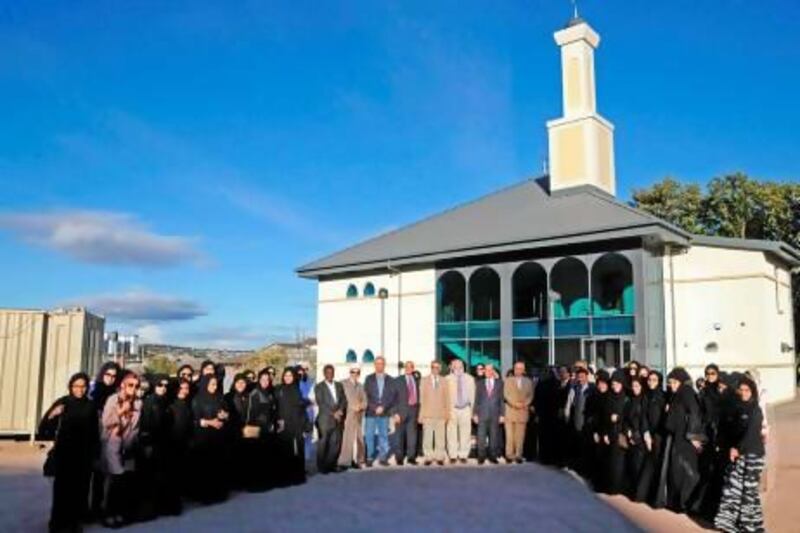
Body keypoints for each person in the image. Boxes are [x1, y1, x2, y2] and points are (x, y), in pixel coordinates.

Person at [38, 372, 99, 533]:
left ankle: (74, 523)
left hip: (83, 456)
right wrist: (53, 414)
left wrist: (95, 454)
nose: (80, 389)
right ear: (71, 387)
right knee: (61, 491)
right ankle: (57, 523)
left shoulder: (91, 405)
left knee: (79, 492)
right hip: (64, 455)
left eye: (83, 386)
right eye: (76, 386)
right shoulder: (63, 402)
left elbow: (95, 433)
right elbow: (43, 428)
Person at [714, 376, 766, 533]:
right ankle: (729, 523)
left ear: (753, 392)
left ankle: (750, 526)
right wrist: (730, 447)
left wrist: (737, 449)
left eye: (747, 390)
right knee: (734, 488)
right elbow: (734, 432)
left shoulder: (755, 410)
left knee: (749, 492)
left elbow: (750, 434)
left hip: (753, 455)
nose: (743, 393)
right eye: (741, 390)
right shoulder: (738, 408)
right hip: (739, 454)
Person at [100, 371, 143, 528]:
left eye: (136, 386)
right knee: (115, 478)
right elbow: (105, 422)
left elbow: (136, 427)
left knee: (124, 480)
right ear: (123, 385)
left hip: (128, 443)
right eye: (131, 385)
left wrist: (131, 442)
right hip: (112, 442)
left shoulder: (138, 403)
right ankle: (108, 513)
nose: (134, 388)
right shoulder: (113, 399)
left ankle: (119, 511)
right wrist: (120, 412)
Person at [661, 367, 705, 513]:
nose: (671, 385)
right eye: (670, 382)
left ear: (680, 381)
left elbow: (694, 413)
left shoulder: (686, 392)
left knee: (686, 471)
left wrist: (693, 436)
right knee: (677, 471)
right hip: (678, 437)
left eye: (674, 382)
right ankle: (679, 503)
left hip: (684, 439)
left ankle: (686, 504)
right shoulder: (677, 394)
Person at [88, 361, 120, 521]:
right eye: (108, 374)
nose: (111, 378)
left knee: (105, 476)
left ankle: (101, 508)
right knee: (95, 476)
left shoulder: (115, 393)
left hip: (109, 437)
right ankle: (92, 509)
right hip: (95, 437)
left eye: (114, 376)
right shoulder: (94, 392)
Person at [190, 375, 229, 503]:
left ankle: (220, 494)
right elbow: (195, 419)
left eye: (215, 384)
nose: (214, 386)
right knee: (206, 467)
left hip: (219, 436)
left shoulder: (219, 397)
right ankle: (206, 496)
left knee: (218, 466)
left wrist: (224, 416)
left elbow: (226, 413)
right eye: (212, 384)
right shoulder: (198, 399)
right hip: (204, 437)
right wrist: (210, 422)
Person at [138, 374, 171, 520]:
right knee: (148, 478)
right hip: (151, 444)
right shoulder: (149, 401)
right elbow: (145, 424)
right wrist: (147, 444)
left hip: (164, 444)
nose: (163, 388)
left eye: (166, 386)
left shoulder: (166, 401)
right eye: (160, 385)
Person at [636, 370, 666, 506]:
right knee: (648, 466)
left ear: (659, 381)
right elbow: (643, 416)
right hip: (648, 435)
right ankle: (642, 496)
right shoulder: (646, 396)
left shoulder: (664, 396)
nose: (651, 382)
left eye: (654, 380)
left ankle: (656, 499)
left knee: (657, 467)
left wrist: (656, 436)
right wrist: (646, 433)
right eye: (649, 380)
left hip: (660, 436)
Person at [275, 367, 309, 486]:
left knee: (299, 450)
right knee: (285, 450)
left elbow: (301, 409)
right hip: (283, 424)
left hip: (297, 424)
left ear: (294, 377)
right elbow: (275, 407)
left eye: (290, 375)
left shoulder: (297, 390)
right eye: (285, 375)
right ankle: (285, 476)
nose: (287, 378)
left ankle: (298, 475)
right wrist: (278, 421)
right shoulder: (279, 389)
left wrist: (305, 426)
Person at [164, 379, 193, 515]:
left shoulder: (187, 404)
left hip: (183, 444)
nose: (184, 391)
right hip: (170, 444)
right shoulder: (169, 404)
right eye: (181, 388)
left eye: (186, 388)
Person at [313, 364, 347, 473]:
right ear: (324, 373)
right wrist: (334, 413)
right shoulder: (319, 387)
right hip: (325, 419)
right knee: (323, 444)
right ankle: (322, 467)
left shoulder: (339, 385)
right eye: (327, 372)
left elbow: (343, 400)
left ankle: (331, 465)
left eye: (331, 372)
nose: (330, 374)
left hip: (338, 420)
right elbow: (321, 403)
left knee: (335, 443)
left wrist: (341, 410)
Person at [248, 369, 277, 491]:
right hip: (257, 428)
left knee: (266, 456)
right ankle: (255, 484)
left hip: (268, 429)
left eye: (267, 380)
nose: (265, 382)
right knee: (256, 457)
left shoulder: (270, 393)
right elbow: (252, 413)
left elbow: (272, 410)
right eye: (263, 379)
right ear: (259, 380)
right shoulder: (255, 393)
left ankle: (266, 481)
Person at [364, 356, 396, 466]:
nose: (379, 366)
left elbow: (391, 396)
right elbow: (366, 396)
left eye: (381, 363)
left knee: (383, 435)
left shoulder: (391, 380)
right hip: (371, 413)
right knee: (369, 435)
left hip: (384, 412)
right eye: (377, 363)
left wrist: (383, 407)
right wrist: (374, 407)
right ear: (374, 365)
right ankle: (369, 457)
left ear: (384, 365)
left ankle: (383, 457)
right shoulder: (368, 379)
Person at [600, 370, 628, 495]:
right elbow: (604, 416)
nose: (614, 386)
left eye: (617, 383)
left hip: (622, 433)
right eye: (613, 384)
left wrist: (618, 418)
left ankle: (618, 488)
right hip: (610, 433)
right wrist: (605, 433)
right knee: (610, 462)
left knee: (620, 463)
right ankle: (610, 487)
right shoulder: (609, 396)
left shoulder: (626, 397)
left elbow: (630, 415)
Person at [419, 360, 450, 465]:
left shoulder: (444, 381)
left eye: (437, 367)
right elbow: (421, 399)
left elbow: (447, 398)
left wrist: (447, 414)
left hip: (441, 414)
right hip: (427, 414)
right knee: (427, 438)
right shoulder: (424, 380)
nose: (435, 369)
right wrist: (421, 415)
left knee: (440, 438)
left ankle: (439, 457)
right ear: (430, 368)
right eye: (433, 367)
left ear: (440, 369)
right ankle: (428, 457)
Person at [473, 363, 504, 464]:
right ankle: (481, 456)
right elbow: (476, 400)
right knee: (481, 436)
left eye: (490, 370)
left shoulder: (499, 383)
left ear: (493, 371)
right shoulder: (479, 383)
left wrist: (502, 415)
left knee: (494, 436)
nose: (488, 372)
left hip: (495, 414)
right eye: (486, 370)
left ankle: (492, 456)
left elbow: (501, 400)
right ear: (484, 371)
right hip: (482, 414)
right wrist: (475, 414)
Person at [225, 373, 252, 490]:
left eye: (243, 382)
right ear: (234, 383)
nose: (241, 385)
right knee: (233, 456)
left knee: (246, 455)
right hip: (232, 430)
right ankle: (233, 482)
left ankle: (244, 481)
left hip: (247, 429)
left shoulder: (249, 396)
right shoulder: (228, 397)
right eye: (238, 382)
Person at [445, 359, 475, 464]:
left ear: (463, 367)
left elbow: (473, 395)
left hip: (466, 408)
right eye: (455, 366)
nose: (458, 368)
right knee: (451, 433)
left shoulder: (470, 378)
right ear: (452, 367)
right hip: (452, 409)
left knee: (466, 433)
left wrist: (473, 411)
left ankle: (463, 455)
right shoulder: (447, 379)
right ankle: (453, 455)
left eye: (460, 366)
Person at [567, 366, 596, 477]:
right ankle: (578, 468)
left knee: (587, 447)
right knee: (578, 446)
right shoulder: (575, 388)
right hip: (577, 421)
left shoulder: (592, 389)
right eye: (579, 377)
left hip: (587, 422)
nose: (580, 379)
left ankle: (586, 470)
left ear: (586, 376)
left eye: (582, 376)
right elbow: (571, 404)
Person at [503, 361, 534, 464]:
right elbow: (506, 394)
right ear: (514, 369)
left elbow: (531, 396)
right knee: (510, 435)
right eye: (517, 368)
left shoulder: (529, 381)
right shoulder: (508, 380)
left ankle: (518, 455)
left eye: (521, 368)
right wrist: (514, 404)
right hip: (510, 411)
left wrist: (524, 404)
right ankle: (509, 455)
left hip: (523, 411)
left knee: (520, 436)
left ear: (524, 370)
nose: (518, 370)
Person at [623, 377, 648, 500]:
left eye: (637, 386)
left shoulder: (644, 400)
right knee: (633, 466)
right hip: (631, 436)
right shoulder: (631, 400)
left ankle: (639, 494)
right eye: (633, 386)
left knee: (640, 467)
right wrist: (628, 431)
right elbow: (626, 418)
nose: (635, 388)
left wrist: (637, 436)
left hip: (641, 438)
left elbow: (644, 420)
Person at [338, 366, 367, 469]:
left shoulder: (360, 386)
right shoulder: (342, 384)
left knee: (358, 440)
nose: (354, 374)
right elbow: (340, 399)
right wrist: (351, 406)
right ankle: (344, 462)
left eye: (357, 372)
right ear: (349, 372)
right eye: (352, 372)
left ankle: (357, 460)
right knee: (346, 439)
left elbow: (365, 400)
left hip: (358, 416)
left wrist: (361, 406)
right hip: (347, 416)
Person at [392, 361, 420, 465]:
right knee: (399, 435)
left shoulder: (417, 380)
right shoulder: (397, 380)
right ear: (404, 368)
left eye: (411, 367)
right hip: (401, 412)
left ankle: (411, 457)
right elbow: (393, 398)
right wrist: (395, 413)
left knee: (412, 436)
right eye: (407, 367)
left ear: (413, 368)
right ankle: (399, 458)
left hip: (413, 410)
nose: (408, 368)